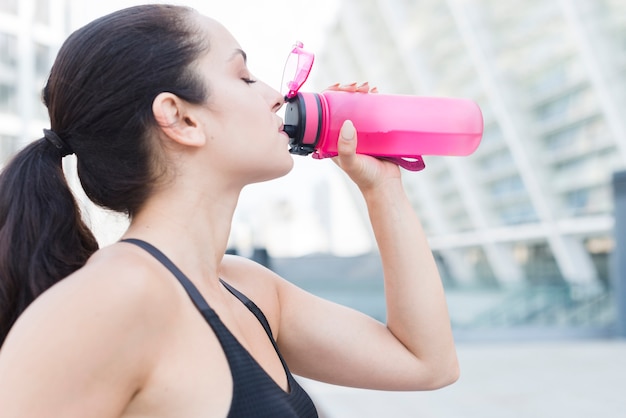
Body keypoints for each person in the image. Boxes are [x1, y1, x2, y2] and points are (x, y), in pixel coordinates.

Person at [0, 4, 458, 417]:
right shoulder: (109, 302)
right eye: (243, 76)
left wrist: (382, 188)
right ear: (181, 118)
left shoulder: (247, 290)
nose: (277, 95)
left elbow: (425, 362)